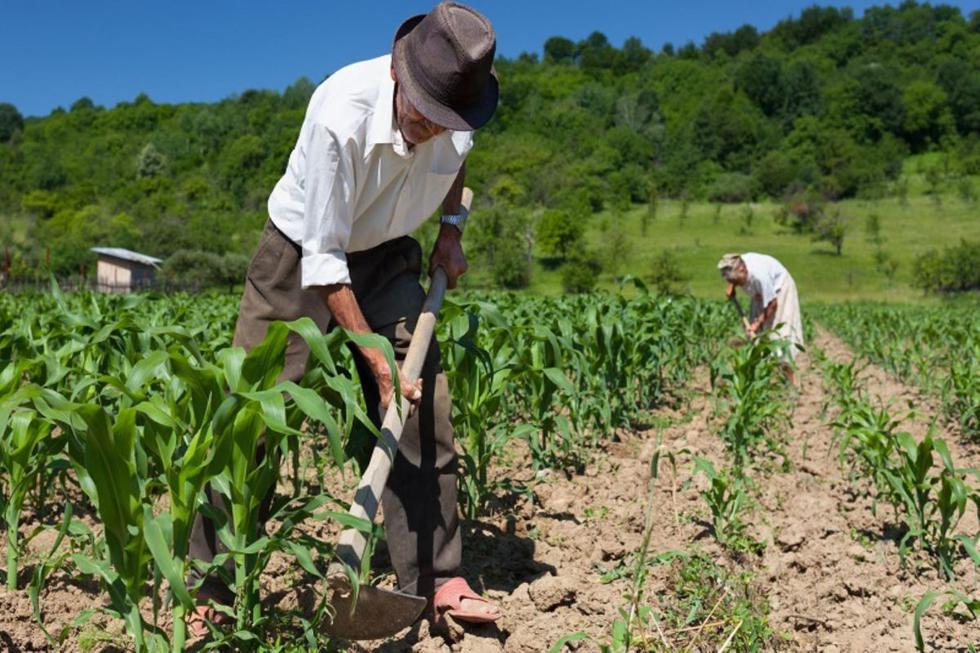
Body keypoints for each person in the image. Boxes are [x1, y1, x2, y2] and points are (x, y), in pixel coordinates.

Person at [186, 2, 501, 636]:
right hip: (302, 251)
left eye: (445, 121)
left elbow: (457, 163)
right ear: (396, 72)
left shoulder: (457, 114)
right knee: (253, 411)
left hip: (389, 253)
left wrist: (451, 230)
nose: (431, 130)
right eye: (422, 114)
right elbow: (325, 262)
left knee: (423, 402)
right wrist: (372, 357)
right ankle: (208, 581)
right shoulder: (340, 113)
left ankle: (436, 579)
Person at [717, 252, 804, 382]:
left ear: (743, 270)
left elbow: (773, 304)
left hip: (780, 290)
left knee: (779, 337)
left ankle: (789, 383)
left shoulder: (759, 276)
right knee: (755, 337)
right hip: (761, 293)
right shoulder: (737, 264)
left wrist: (756, 323)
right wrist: (732, 286)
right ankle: (761, 379)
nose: (739, 285)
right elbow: (732, 272)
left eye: (737, 281)